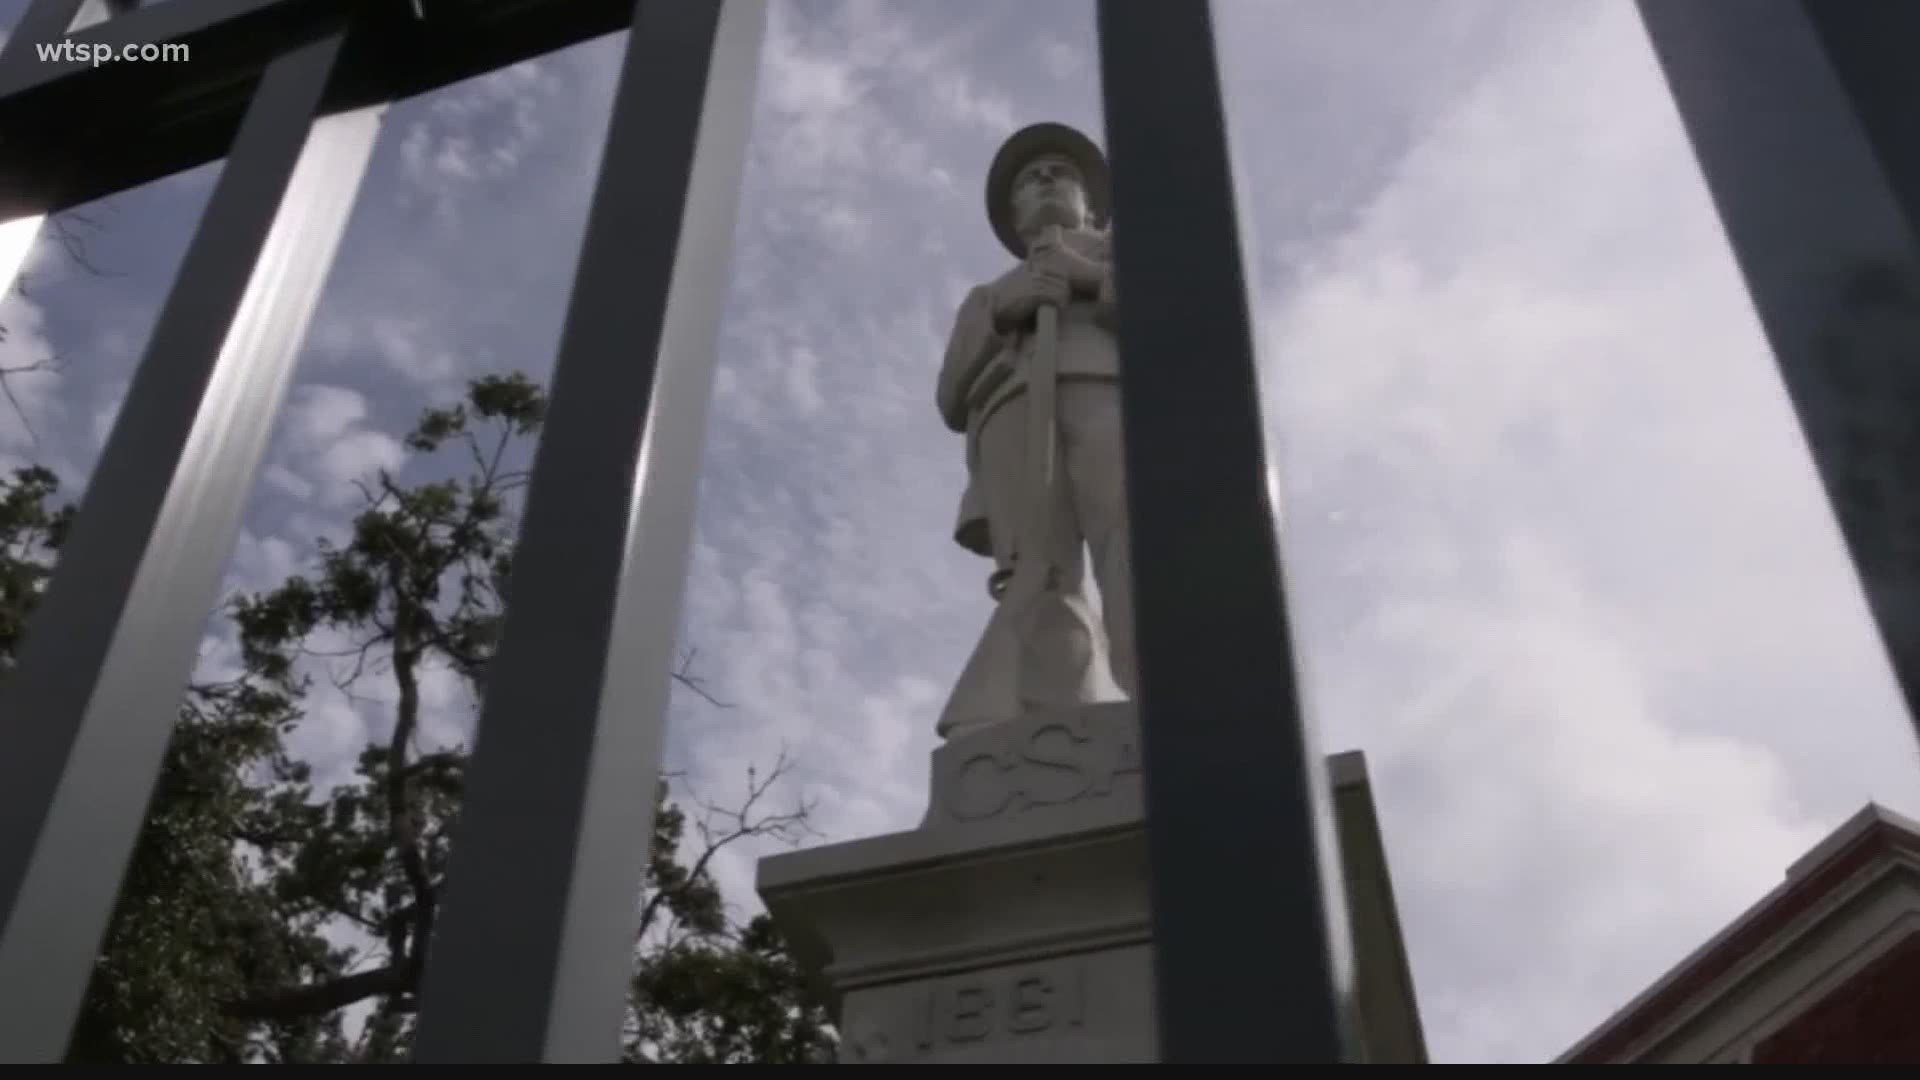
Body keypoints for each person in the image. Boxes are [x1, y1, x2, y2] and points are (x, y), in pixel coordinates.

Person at [934, 121, 1134, 739]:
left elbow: (1179, 313)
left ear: (1090, 202)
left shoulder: (1117, 251)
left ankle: (1168, 693)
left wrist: (1085, 277)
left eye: (1060, 172)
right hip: (1014, 415)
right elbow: (949, 397)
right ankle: (1040, 714)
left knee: (1130, 539)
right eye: (1029, 179)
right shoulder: (986, 295)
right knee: (1039, 570)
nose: (1045, 180)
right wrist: (1004, 309)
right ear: (1015, 215)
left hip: (1105, 395)